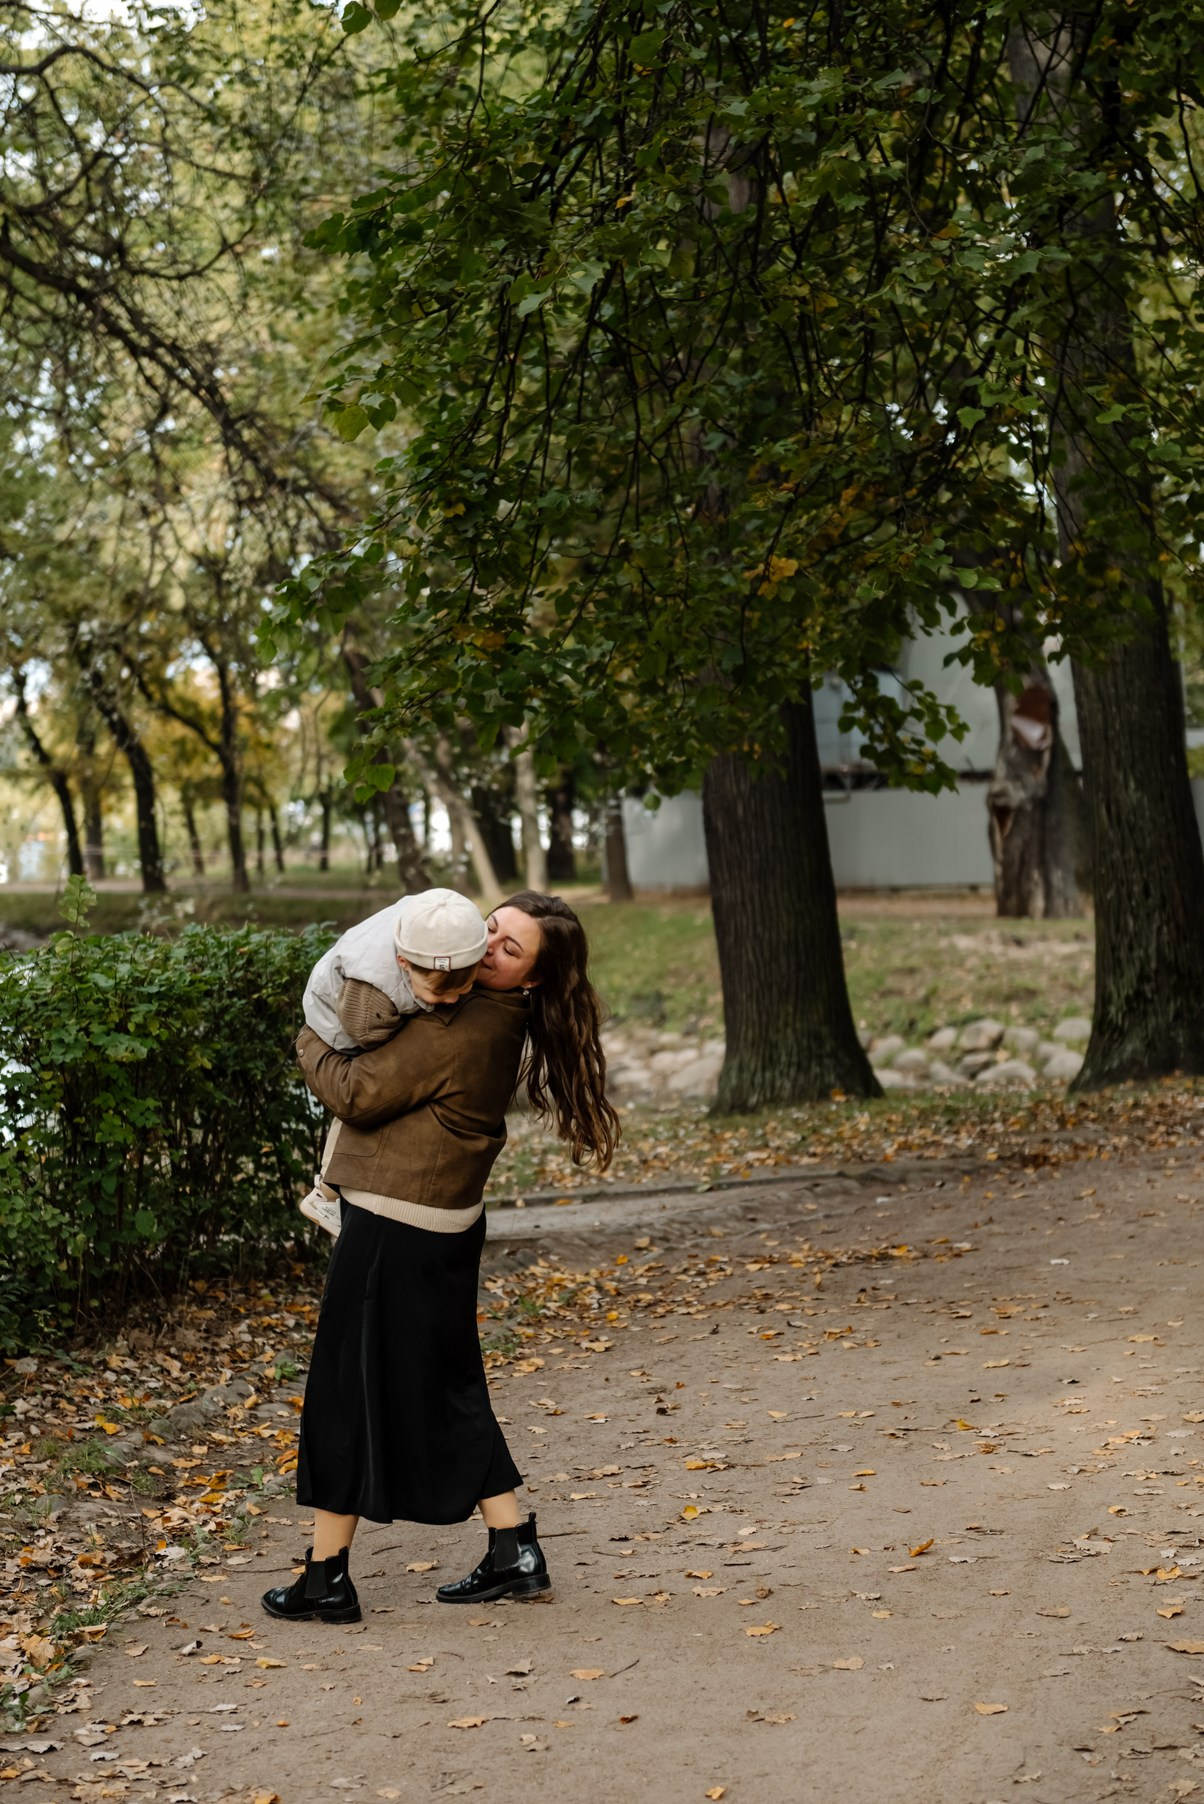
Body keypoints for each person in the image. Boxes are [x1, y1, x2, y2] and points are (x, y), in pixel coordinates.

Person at [262, 892, 620, 1626]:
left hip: (398, 1227)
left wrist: (308, 1035)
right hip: (441, 1225)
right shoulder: (487, 1015)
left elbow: (355, 1091)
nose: (488, 948)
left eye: (509, 950)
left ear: (530, 981)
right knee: (443, 1385)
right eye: (491, 930)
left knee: (347, 1392)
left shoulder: (466, 1026)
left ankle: (326, 1576)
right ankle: (512, 1547)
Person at [297, 888, 488, 1236]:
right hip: (339, 1023)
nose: (452, 1000)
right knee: (366, 1099)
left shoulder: (434, 923)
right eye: (437, 995)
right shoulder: (371, 1001)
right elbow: (379, 1051)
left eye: (464, 989)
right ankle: (325, 1191)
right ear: (404, 963)